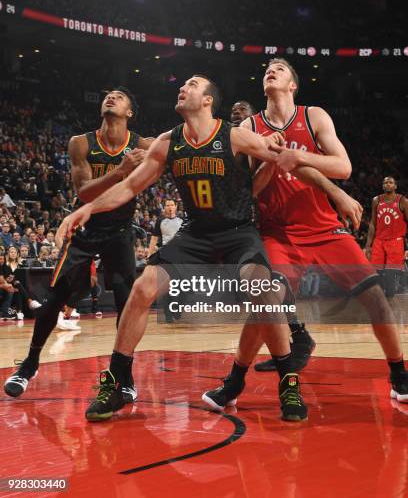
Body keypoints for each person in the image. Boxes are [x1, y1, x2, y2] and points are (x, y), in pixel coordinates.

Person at [55, 73, 342, 423]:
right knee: (142, 288)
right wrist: (87, 208)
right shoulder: (166, 142)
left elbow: (290, 160)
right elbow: (130, 186)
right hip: (195, 234)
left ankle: (289, 383)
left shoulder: (235, 135)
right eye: (182, 84)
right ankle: (117, 382)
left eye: (191, 84)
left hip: (237, 231)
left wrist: (336, 191)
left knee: (264, 292)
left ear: (207, 100)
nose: (182, 88)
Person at [204, 58, 408, 409]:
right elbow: (249, 192)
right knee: (265, 303)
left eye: (280, 68)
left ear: (293, 84)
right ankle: (235, 381)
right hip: (276, 232)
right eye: (267, 67)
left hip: (325, 228)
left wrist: (302, 162)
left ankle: (400, 374)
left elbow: (343, 166)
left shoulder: (314, 116)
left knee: (375, 295)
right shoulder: (250, 127)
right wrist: (271, 157)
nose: (271, 69)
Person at [4, 87, 152, 402]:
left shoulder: (143, 145)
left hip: (121, 231)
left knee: (127, 303)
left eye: (120, 96)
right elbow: (84, 192)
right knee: (56, 298)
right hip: (85, 227)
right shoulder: (81, 143)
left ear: (130, 112)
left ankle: (124, 375)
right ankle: (29, 365)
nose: (111, 97)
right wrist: (122, 171)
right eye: (107, 95)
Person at [230, 99, 316, 372]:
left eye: (242, 113)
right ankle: (292, 343)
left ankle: (291, 347)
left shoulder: (262, 143)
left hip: (263, 223)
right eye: (233, 114)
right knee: (264, 294)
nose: (237, 117)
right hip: (241, 222)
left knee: (267, 290)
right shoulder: (229, 145)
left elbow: (253, 190)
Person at [365, 176, 408, 297]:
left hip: (396, 241)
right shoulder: (376, 200)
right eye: (385, 182)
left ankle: (390, 300)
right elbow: (373, 223)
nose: (387, 184)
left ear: (395, 186)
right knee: (376, 272)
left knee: (390, 274)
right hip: (379, 241)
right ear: (382, 186)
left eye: (390, 182)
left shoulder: (403, 201)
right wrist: (368, 245)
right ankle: (382, 300)